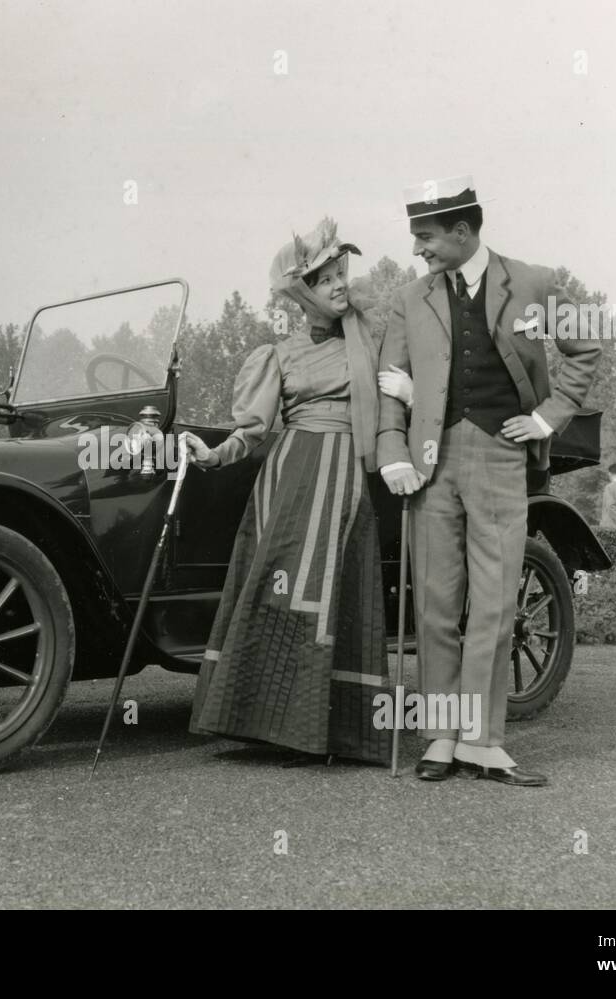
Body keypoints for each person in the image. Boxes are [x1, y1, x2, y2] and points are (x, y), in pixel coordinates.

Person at [377, 175, 601, 786]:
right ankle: (441, 738)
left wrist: (546, 417)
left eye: (426, 237)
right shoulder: (407, 298)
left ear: (462, 230)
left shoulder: (533, 281)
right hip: (429, 462)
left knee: (497, 607)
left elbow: (585, 350)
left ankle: (483, 743)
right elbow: (387, 382)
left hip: (504, 457)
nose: (418, 249)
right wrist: (392, 450)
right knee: (436, 607)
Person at [179, 218, 392, 764]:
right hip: (293, 476)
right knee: (283, 591)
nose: (341, 284)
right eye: (325, 280)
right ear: (303, 294)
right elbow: (252, 429)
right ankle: (271, 722)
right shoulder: (280, 354)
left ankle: (335, 731)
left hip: (346, 475)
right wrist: (214, 454)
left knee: (337, 592)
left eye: (342, 273)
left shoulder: (371, 335)